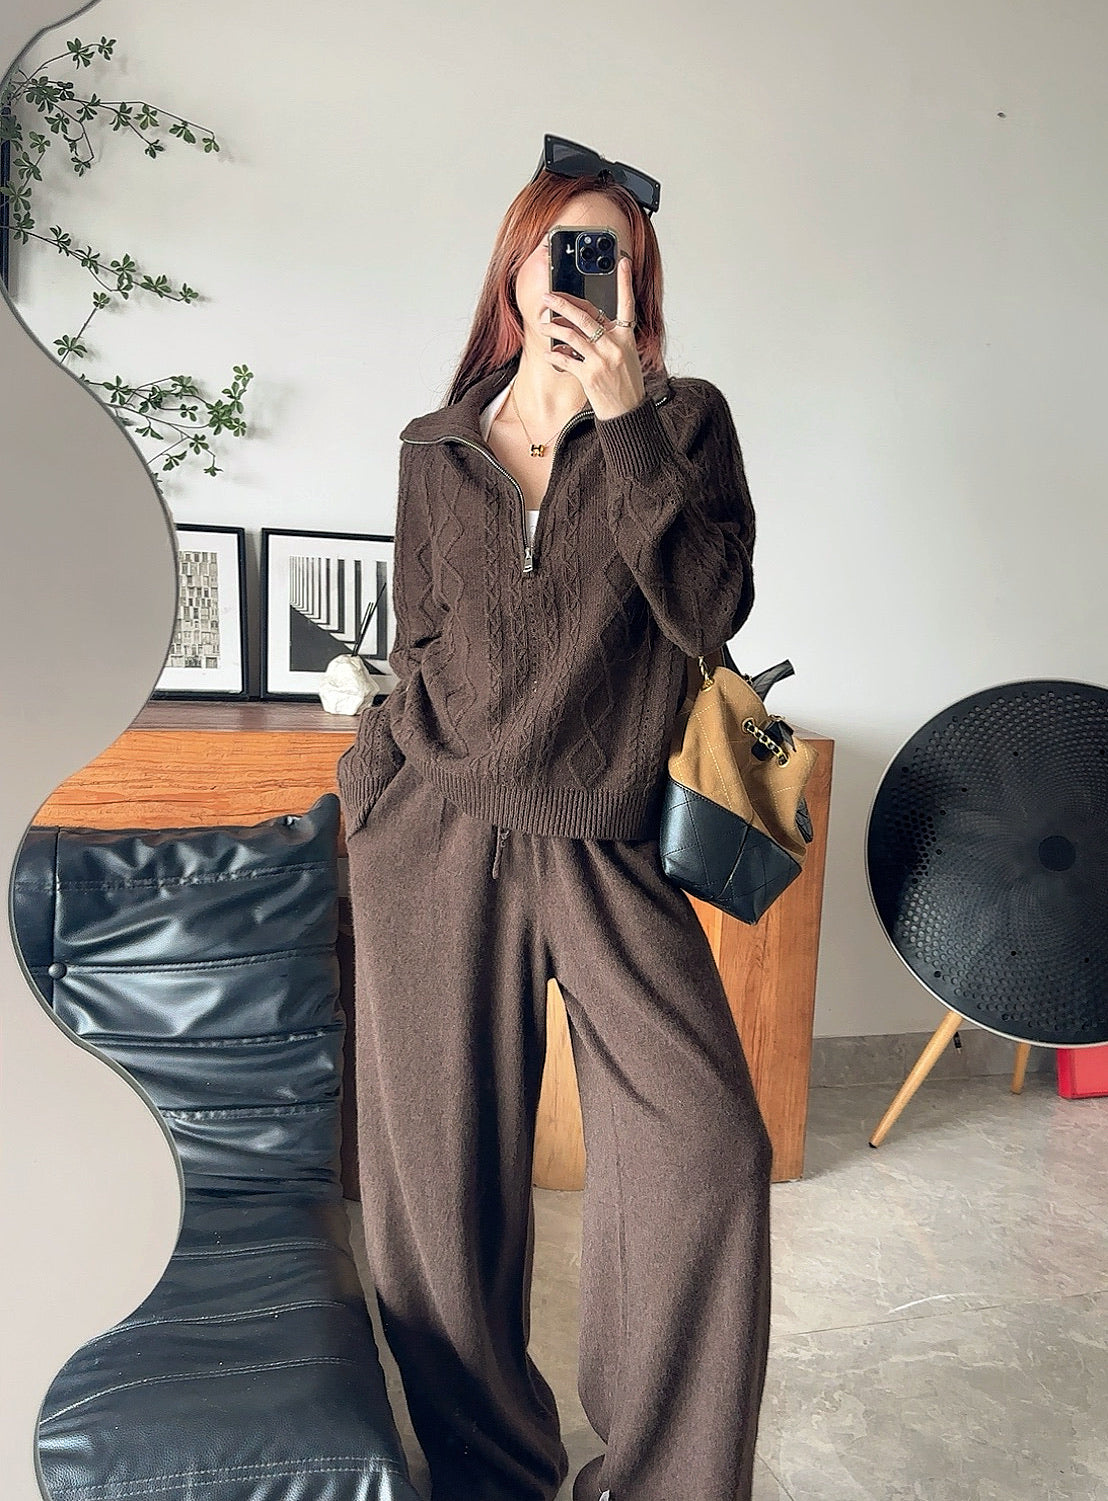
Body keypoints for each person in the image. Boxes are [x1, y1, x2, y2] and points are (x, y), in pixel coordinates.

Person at [336, 135, 772, 1501]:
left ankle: (661, 1478)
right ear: (515, 272)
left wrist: (628, 421)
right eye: (562, 252)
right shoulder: (434, 446)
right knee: (436, 1199)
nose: (584, 277)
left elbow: (708, 610)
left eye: (612, 258)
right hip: (435, 833)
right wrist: (371, 777)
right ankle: (491, 1471)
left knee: (708, 1152)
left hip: (605, 837)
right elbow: (418, 632)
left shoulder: (685, 423)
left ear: (638, 283)